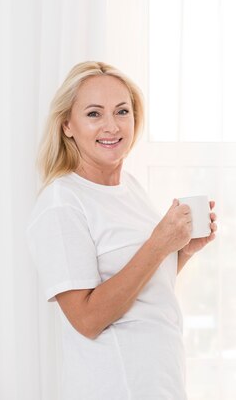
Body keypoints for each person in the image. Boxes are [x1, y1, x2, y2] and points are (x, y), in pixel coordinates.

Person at [25, 61, 217, 400]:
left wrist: (181, 251)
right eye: (94, 114)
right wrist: (159, 244)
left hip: (159, 382)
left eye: (122, 111)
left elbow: (143, 291)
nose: (111, 126)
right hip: (114, 386)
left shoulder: (130, 187)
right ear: (67, 125)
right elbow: (87, 319)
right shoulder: (62, 203)